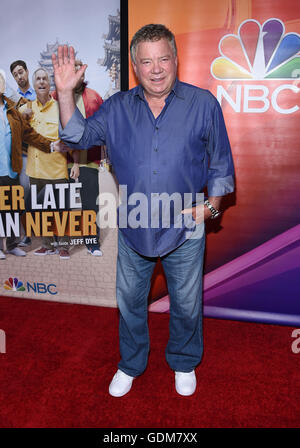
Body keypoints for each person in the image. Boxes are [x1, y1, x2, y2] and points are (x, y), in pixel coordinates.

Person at [52, 24, 235, 397]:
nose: (156, 69)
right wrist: (67, 93)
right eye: (146, 61)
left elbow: (220, 163)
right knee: (130, 303)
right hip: (134, 225)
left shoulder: (203, 104)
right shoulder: (117, 107)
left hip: (186, 227)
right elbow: (76, 138)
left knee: (186, 303)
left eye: (163, 59)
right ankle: (131, 363)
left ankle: (184, 361)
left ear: (175, 60)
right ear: (135, 65)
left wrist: (211, 211)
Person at [0, 69, 63, 259]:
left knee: (11, 208)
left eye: (1, 80)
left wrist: (50, 145)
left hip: (11, 169)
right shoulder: (20, 108)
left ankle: (11, 245)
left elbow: (29, 134)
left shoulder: (11, 109)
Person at [19, 68, 73, 260]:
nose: (41, 82)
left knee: (62, 210)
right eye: (38, 79)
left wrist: (71, 156)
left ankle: (64, 246)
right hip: (35, 171)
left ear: (49, 84)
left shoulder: (61, 108)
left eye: (44, 79)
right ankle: (48, 245)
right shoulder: (26, 110)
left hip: (56, 170)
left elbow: (71, 136)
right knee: (42, 211)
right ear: (33, 85)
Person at [52, 59, 103, 256]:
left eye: (79, 72)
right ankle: (62, 244)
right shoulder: (56, 97)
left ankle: (92, 242)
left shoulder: (94, 97)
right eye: (72, 72)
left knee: (90, 204)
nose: (76, 76)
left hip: (89, 161)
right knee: (62, 204)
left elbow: (102, 129)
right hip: (62, 162)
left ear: (83, 75)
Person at [10, 60, 36, 247]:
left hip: (41, 153)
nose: (19, 76)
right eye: (15, 74)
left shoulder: (40, 93)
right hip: (23, 154)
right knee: (24, 191)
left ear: (27, 71)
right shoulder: (12, 99)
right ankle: (26, 233)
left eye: (21, 72)